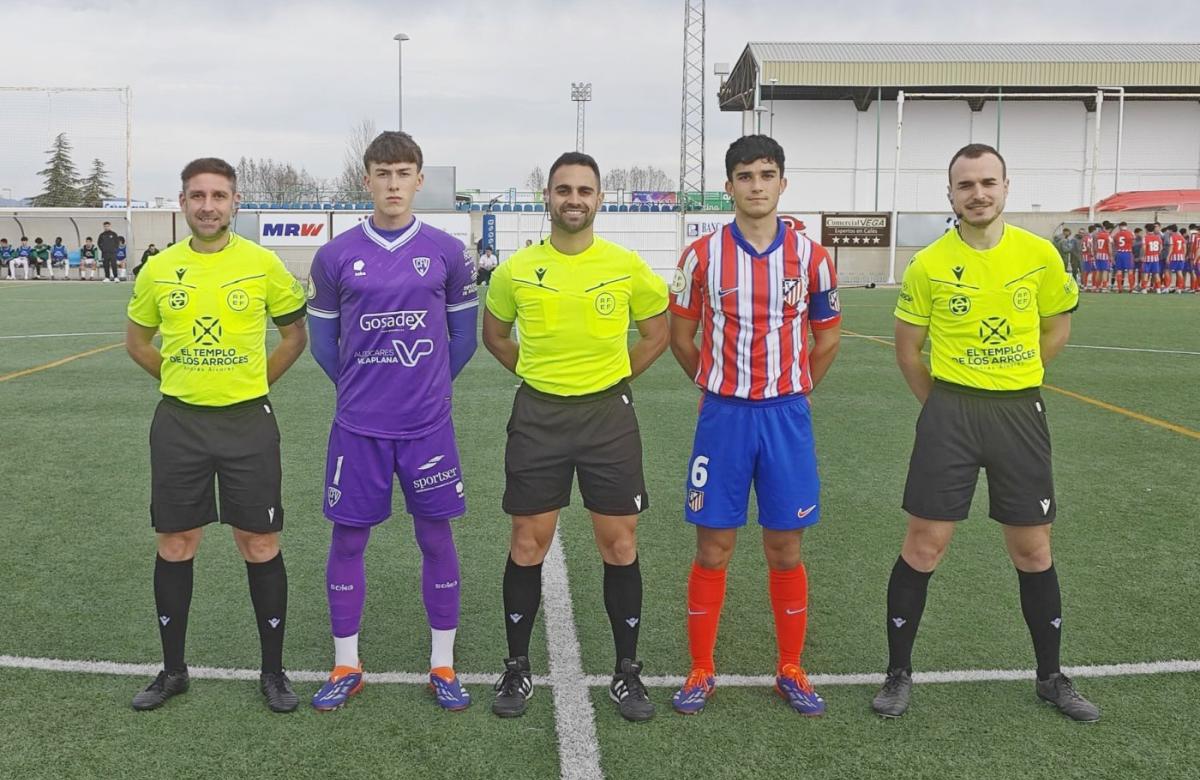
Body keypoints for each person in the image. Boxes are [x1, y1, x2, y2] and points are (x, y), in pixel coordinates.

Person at [874, 143, 1097, 722]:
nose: (978, 193)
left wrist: (1018, 379)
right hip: (951, 413)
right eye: (966, 185)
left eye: (987, 183)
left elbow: (1057, 328)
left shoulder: (1040, 254)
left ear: (1005, 187)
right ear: (950, 193)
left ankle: (1050, 677)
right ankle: (898, 674)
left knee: (1033, 547)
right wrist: (945, 406)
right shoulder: (928, 264)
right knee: (924, 545)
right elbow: (907, 350)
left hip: (1019, 413)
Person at [482, 151, 669, 722]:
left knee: (619, 544)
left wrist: (609, 378)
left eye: (584, 190)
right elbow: (495, 335)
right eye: (563, 189)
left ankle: (626, 672)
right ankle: (516, 667)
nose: (573, 199)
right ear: (547, 197)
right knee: (527, 543)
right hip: (539, 416)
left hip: (607, 418)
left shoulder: (626, 265)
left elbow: (657, 333)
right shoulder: (515, 270)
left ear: (599, 199)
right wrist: (541, 376)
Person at [125, 157, 308, 713]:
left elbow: (294, 336)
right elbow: (137, 342)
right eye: (198, 196)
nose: (209, 206)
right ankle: (173, 670)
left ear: (234, 202)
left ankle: (273, 673)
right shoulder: (158, 270)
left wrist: (252, 383)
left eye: (219, 196)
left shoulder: (262, 263)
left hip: (248, 422)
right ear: (183, 202)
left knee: (259, 543)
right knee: (177, 543)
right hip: (179, 424)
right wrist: (181, 381)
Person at [667, 134, 841, 717]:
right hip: (723, 417)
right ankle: (700, 669)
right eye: (746, 176)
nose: (757, 185)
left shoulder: (813, 258)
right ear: (729, 187)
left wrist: (797, 388)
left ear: (783, 183)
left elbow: (828, 336)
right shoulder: (701, 255)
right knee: (713, 547)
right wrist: (716, 383)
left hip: (786, 417)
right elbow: (682, 337)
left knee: (785, 548)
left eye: (767, 175)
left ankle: (791, 667)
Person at [306, 131, 479, 712]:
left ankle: (443, 664)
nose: (394, 185)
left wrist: (423, 388)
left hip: (428, 426)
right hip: (358, 428)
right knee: (348, 538)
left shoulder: (448, 252)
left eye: (404, 173)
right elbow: (324, 345)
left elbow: (464, 339)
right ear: (367, 180)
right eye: (383, 174)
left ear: (419, 179)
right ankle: (346, 662)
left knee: (436, 535)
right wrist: (365, 390)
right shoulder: (334, 256)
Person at [1112, 221, 1134, 293]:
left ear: (1120, 227)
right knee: (1130, 271)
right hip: (1128, 253)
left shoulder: (1117, 234)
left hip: (1119, 253)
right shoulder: (1130, 233)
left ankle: (1120, 288)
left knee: (1119, 271)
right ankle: (1131, 288)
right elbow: (1133, 242)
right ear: (1126, 226)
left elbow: (1114, 243)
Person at [1141, 223, 1164, 292]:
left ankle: (1144, 289)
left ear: (1146, 229)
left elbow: (1144, 248)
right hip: (1155, 258)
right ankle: (1158, 289)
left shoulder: (1145, 237)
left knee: (1146, 273)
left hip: (1148, 258)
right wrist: (1157, 253)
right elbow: (1161, 247)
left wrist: (1143, 256)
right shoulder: (1158, 237)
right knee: (1156, 273)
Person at [1093, 221, 1112, 292]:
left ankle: (1097, 287)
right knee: (1105, 271)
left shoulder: (1098, 235)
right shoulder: (1108, 236)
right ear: (1109, 229)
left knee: (1098, 271)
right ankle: (1104, 287)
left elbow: (1095, 246)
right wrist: (1111, 257)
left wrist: (1095, 254)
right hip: (1105, 255)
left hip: (1098, 255)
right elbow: (1109, 247)